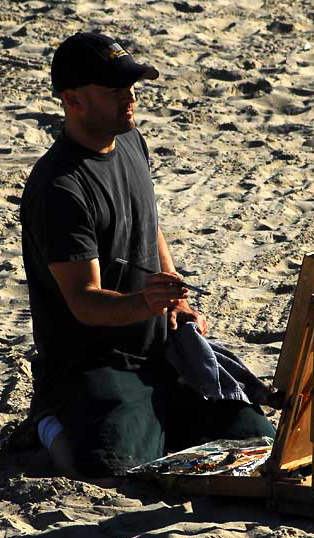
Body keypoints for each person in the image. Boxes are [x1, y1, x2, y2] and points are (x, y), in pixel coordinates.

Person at [19, 32, 275, 478]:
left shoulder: (131, 141)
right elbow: (84, 301)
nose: (131, 98)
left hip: (158, 350)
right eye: (115, 91)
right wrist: (144, 303)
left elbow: (148, 222)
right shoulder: (59, 189)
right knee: (107, 467)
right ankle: (47, 420)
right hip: (94, 365)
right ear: (74, 101)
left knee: (253, 438)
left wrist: (175, 294)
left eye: (132, 87)